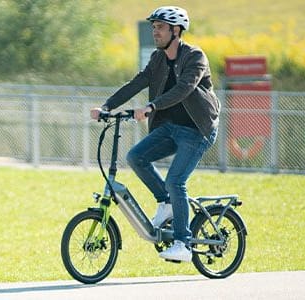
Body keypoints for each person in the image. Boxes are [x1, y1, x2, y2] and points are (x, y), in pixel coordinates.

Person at [90, 6, 220, 262]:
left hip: (197, 130)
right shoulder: (157, 59)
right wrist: (107, 106)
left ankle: (183, 243)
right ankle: (167, 203)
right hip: (170, 128)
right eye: (153, 27)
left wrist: (152, 106)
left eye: (160, 27)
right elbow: (138, 82)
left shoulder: (195, 57)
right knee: (136, 157)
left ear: (176, 30)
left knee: (175, 181)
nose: (155, 32)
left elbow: (184, 88)